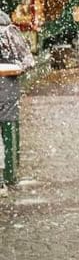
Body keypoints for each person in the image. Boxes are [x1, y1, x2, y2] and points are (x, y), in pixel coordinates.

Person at [0, 11, 34, 197]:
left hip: (7, 90)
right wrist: (16, 69)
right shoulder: (10, 32)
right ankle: (10, 173)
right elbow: (28, 60)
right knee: (9, 128)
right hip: (8, 89)